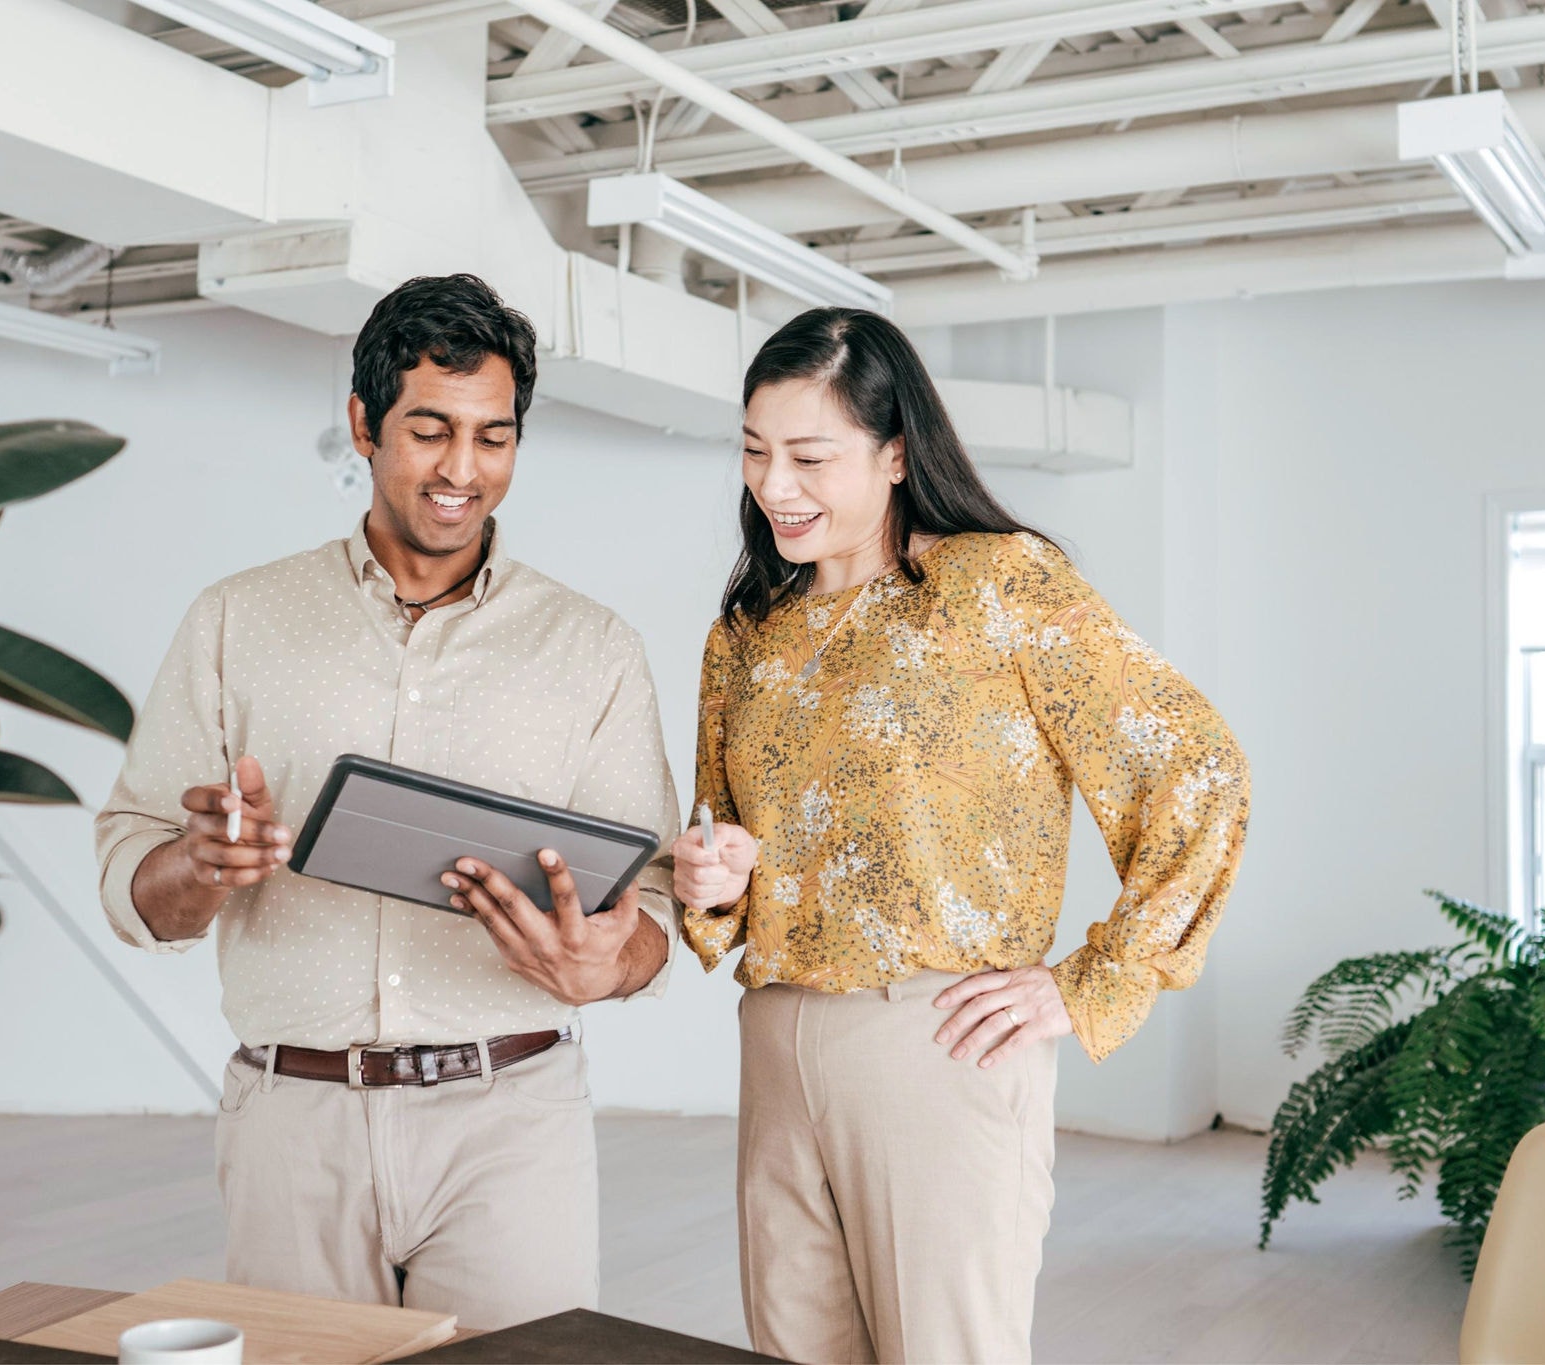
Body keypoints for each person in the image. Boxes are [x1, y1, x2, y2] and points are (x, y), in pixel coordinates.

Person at [94, 274, 679, 1329]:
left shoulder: (592, 650)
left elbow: (659, 908)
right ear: (363, 425)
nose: (462, 470)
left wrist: (613, 961)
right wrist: (196, 866)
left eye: (492, 437)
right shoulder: (237, 620)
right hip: (294, 1125)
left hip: (512, 1121)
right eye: (429, 430)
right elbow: (134, 884)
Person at [671, 308, 1250, 1365]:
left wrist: (1091, 979)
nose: (773, 486)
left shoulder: (997, 585)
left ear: (894, 453)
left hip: (935, 1045)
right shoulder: (748, 626)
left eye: (809, 457)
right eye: (754, 453)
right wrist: (712, 878)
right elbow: (723, 845)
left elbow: (1195, 767)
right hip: (775, 1038)